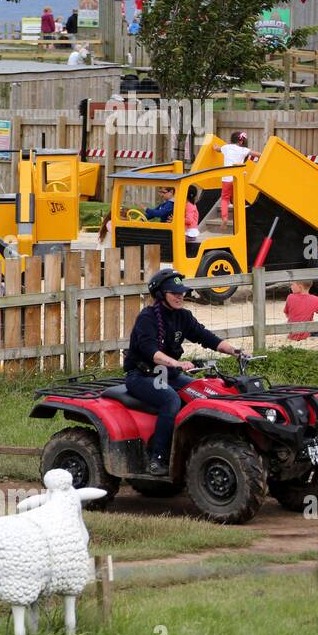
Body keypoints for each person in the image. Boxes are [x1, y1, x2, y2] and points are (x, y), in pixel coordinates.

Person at [123, 270, 246, 475]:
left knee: (205, 391)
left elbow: (207, 337)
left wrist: (235, 351)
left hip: (169, 375)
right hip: (142, 376)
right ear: (161, 294)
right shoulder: (147, 318)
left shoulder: (183, 316)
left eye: (182, 292)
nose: (181, 296)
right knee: (170, 399)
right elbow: (151, 352)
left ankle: (199, 450)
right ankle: (158, 458)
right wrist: (176, 363)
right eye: (175, 292)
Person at [218, 131, 251, 228]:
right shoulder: (244, 150)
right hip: (238, 179)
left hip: (226, 178)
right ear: (241, 141)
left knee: (224, 199)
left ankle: (224, 218)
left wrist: (214, 147)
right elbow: (258, 155)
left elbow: (217, 149)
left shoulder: (225, 148)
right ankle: (240, 217)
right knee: (237, 196)